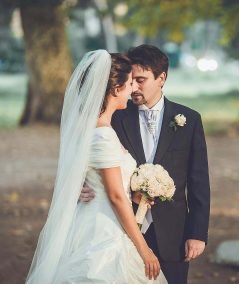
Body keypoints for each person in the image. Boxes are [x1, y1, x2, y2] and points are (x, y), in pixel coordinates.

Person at [26, 50, 167, 283]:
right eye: (130, 83)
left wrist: (133, 194)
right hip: (103, 232)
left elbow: (103, 182)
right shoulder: (103, 135)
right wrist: (144, 249)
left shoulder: (93, 128)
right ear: (115, 89)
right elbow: (114, 196)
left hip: (92, 220)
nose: (133, 89)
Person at [80, 44, 211, 284]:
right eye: (131, 80)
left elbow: (199, 181)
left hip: (173, 233)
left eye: (141, 80)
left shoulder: (189, 120)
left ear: (161, 78)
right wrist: (83, 183)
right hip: (122, 229)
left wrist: (197, 233)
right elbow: (92, 159)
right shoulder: (114, 116)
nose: (134, 88)